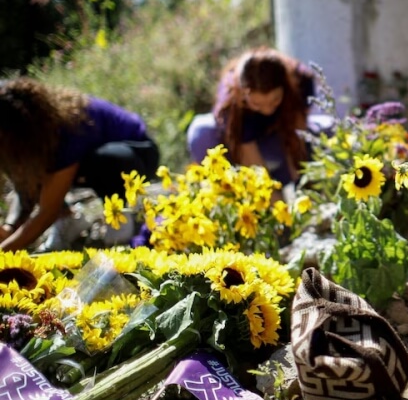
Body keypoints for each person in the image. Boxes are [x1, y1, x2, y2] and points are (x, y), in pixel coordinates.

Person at [0, 77, 160, 251]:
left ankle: (119, 220)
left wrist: (4, 251)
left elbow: (47, 212)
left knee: (106, 160)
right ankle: (68, 219)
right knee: (36, 167)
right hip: (93, 159)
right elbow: (25, 187)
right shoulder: (40, 136)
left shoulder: (69, 126)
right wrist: (10, 227)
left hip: (139, 155)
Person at [186, 47, 321, 187]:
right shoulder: (231, 99)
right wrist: (276, 205)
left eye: (275, 101)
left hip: (279, 144)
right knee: (201, 130)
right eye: (257, 104)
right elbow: (254, 167)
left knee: (328, 131)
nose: (267, 110)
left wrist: (306, 191)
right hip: (242, 152)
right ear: (244, 94)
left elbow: (296, 141)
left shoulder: (300, 79)